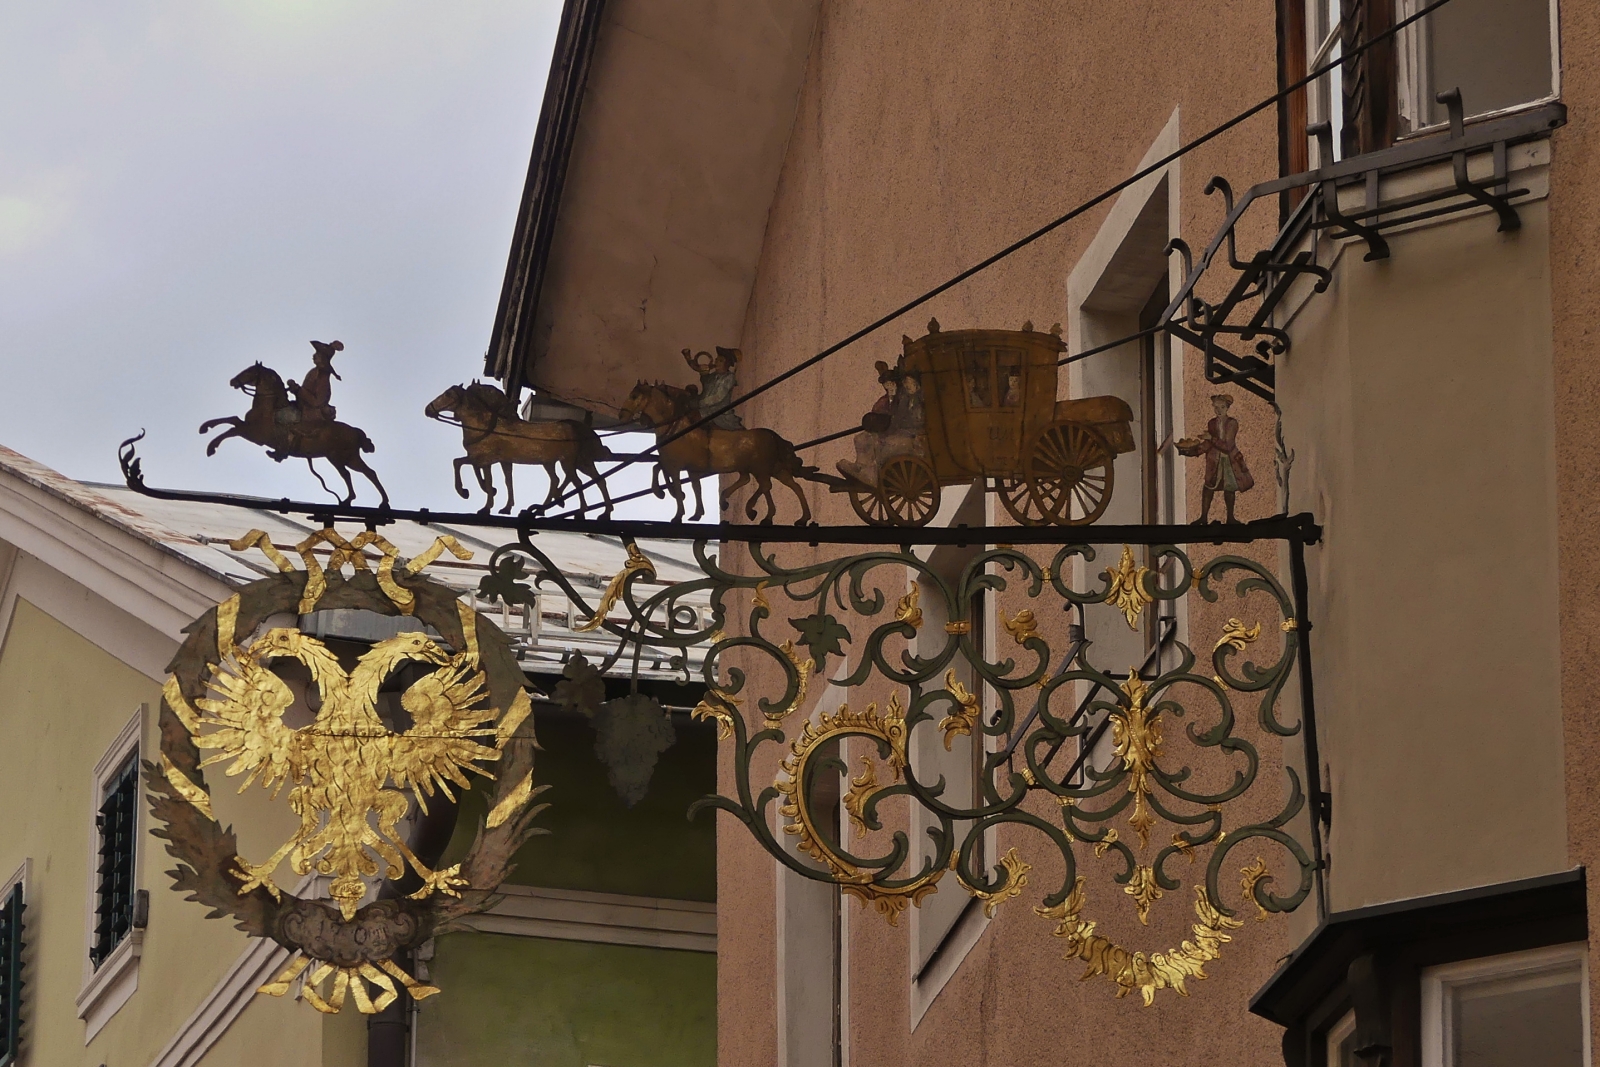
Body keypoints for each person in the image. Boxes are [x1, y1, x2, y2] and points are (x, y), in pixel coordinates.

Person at [1183, 392, 1255, 523]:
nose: (1218, 410)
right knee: (1209, 486)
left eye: (1221, 407)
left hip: (1229, 460)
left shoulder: (1232, 423)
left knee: (1229, 488)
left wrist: (1211, 438)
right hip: (1214, 460)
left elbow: (1228, 446)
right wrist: (1196, 451)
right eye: (1215, 407)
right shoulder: (1212, 423)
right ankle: (1203, 517)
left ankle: (1230, 518)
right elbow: (1208, 443)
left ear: (1227, 408)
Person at [838, 361, 900, 483]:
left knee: (876, 443)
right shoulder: (883, 401)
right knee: (860, 438)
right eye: (886, 385)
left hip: (893, 433)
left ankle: (872, 474)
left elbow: (900, 418)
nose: (889, 387)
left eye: (891, 384)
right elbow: (876, 412)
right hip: (880, 430)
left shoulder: (901, 400)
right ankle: (860, 466)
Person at [681, 347, 745, 429]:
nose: (717, 362)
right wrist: (704, 373)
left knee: (692, 418)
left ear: (727, 364)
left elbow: (717, 397)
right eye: (717, 360)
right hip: (706, 408)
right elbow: (706, 386)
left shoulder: (729, 377)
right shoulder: (713, 375)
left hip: (718, 412)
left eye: (721, 361)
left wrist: (700, 403)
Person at [285, 340, 344, 427]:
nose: (314, 356)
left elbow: (316, 401)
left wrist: (297, 390)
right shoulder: (313, 372)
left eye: (317, 355)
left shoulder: (322, 374)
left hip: (313, 403)